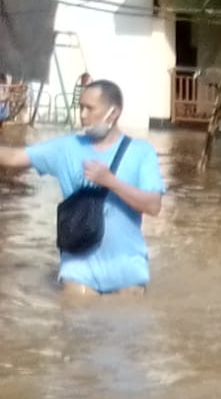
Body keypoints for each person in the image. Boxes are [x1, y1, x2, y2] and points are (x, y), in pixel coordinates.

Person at [0, 79, 165, 296]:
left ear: (113, 113)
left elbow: (153, 206)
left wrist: (110, 181)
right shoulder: (66, 147)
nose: (83, 115)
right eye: (80, 107)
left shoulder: (141, 152)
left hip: (127, 269)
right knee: (74, 320)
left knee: (129, 320)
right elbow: (12, 157)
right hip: (79, 268)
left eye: (90, 108)